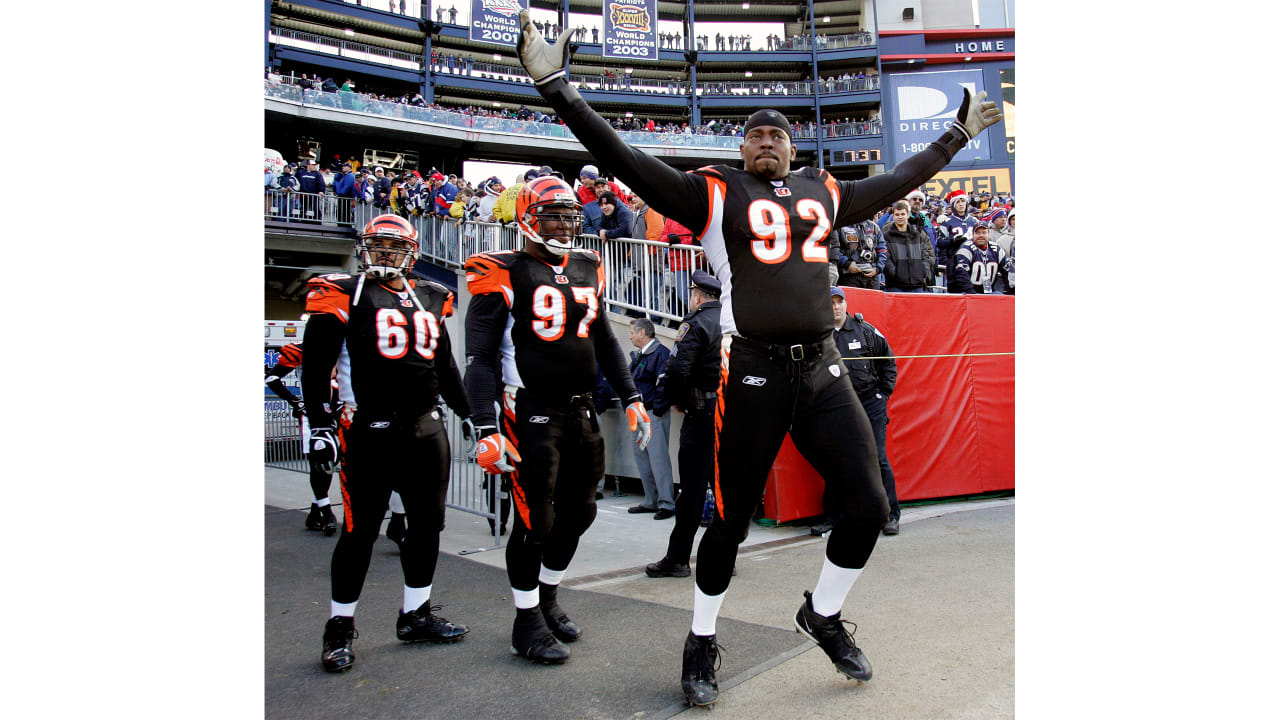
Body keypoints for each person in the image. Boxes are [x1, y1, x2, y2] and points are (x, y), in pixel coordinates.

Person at [514, 13, 1000, 705]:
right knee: (732, 519)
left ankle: (823, 615)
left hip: (822, 366)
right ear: (741, 147)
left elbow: (895, 182)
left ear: (792, 146)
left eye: (774, 135)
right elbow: (627, 160)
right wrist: (560, 90)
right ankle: (703, 637)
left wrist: (955, 136)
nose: (764, 143)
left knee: (865, 505)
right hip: (752, 371)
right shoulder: (715, 193)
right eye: (753, 135)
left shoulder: (824, 191)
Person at [463, 175, 652, 665]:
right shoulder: (501, 270)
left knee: (582, 510)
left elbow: (605, 340)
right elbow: (480, 358)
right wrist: (484, 427)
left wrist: (631, 396)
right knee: (533, 519)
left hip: (582, 406)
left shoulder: (590, 265)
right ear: (527, 217)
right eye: (553, 216)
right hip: (529, 409)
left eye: (570, 216)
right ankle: (525, 621)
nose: (564, 226)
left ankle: (546, 595)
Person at [303, 214, 477, 673]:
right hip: (370, 429)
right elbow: (315, 369)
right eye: (377, 246)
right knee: (360, 531)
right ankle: (339, 628)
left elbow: (445, 366)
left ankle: (415, 614)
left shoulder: (431, 295)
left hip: (426, 427)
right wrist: (321, 423)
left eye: (393, 247)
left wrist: (473, 416)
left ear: (411, 252)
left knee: (426, 527)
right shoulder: (347, 292)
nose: (384, 254)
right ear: (364, 248)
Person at [646, 270, 723, 578]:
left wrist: (676, 400)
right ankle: (722, 557)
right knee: (723, 490)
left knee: (691, 491)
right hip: (727, 414)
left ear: (697, 296)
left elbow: (677, 370)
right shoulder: (732, 322)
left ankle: (678, 558)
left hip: (701, 413)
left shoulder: (696, 322)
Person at [819, 287, 899, 535]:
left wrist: (882, 395)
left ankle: (890, 516)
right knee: (835, 461)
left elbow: (889, 362)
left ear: (845, 304)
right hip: (836, 405)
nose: (835, 307)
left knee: (877, 459)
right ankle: (833, 517)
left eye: (839, 302)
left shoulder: (865, 330)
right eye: (831, 303)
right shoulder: (819, 335)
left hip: (868, 402)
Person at [264, 342, 342, 534]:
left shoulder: (344, 346)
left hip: (337, 412)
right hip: (313, 414)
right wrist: (295, 401)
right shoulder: (301, 349)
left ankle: (316, 512)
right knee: (320, 461)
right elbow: (272, 378)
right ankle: (326, 512)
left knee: (329, 464)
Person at [626, 318, 675, 518]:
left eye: (632, 332)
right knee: (642, 458)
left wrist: (657, 409)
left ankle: (667, 504)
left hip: (652, 413)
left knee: (658, 459)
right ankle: (651, 500)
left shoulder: (659, 353)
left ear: (642, 333)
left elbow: (665, 384)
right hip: (639, 414)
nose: (630, 336)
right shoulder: (642, 355)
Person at [882, 200, 936, 293]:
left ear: (908, 214)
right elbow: (886, 260)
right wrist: (896, 274)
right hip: (896, 286)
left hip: (917, 285)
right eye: (897, 214)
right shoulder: (886, 236)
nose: (900, 217)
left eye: (902, 214)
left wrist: (922, 274)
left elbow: (925, 257)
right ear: (893, 216)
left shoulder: (917, 236)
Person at [950, 220, 1012, 294]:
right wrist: (972, 293)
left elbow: (1007, 270)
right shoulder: (966, 249)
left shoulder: (996, 249)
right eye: (977, 233)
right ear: (972, 235)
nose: (981, 235)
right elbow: (961, 273)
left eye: (984, 232)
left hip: (988, 292)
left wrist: (1009, 291)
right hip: (967, 293)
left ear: (989, 234)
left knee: (1001, 296)